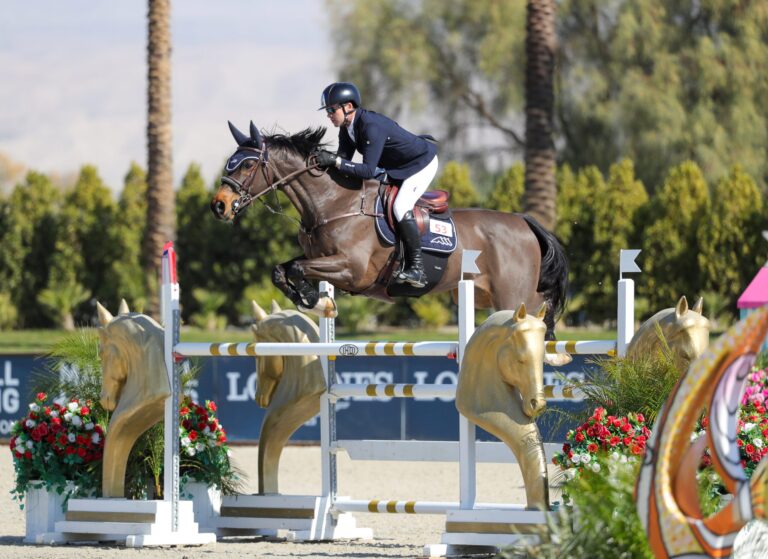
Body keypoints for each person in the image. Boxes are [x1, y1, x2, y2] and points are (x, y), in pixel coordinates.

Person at [314, 82, 438, 289]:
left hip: (420, 164)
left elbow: (368, 171)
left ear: (348, 107)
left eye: (331, 109)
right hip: (397, 167)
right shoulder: (347, 129)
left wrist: (335, 161)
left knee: (400, 207)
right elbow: (343, 162)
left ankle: (417, 268)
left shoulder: (371, 126)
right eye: (327, 110)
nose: (328, 114)